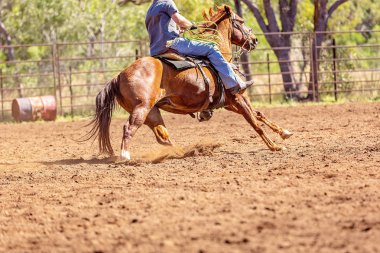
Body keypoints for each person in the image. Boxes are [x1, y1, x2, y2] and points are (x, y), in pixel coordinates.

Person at [145, 0, 253, 95]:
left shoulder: (150, 10)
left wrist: (178, 31)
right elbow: (179, 20)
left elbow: (161, 30)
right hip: (173, 44)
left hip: (156, 50)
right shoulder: (167, 2)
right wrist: (194, 26)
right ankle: (234, 83)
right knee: (211, 47)